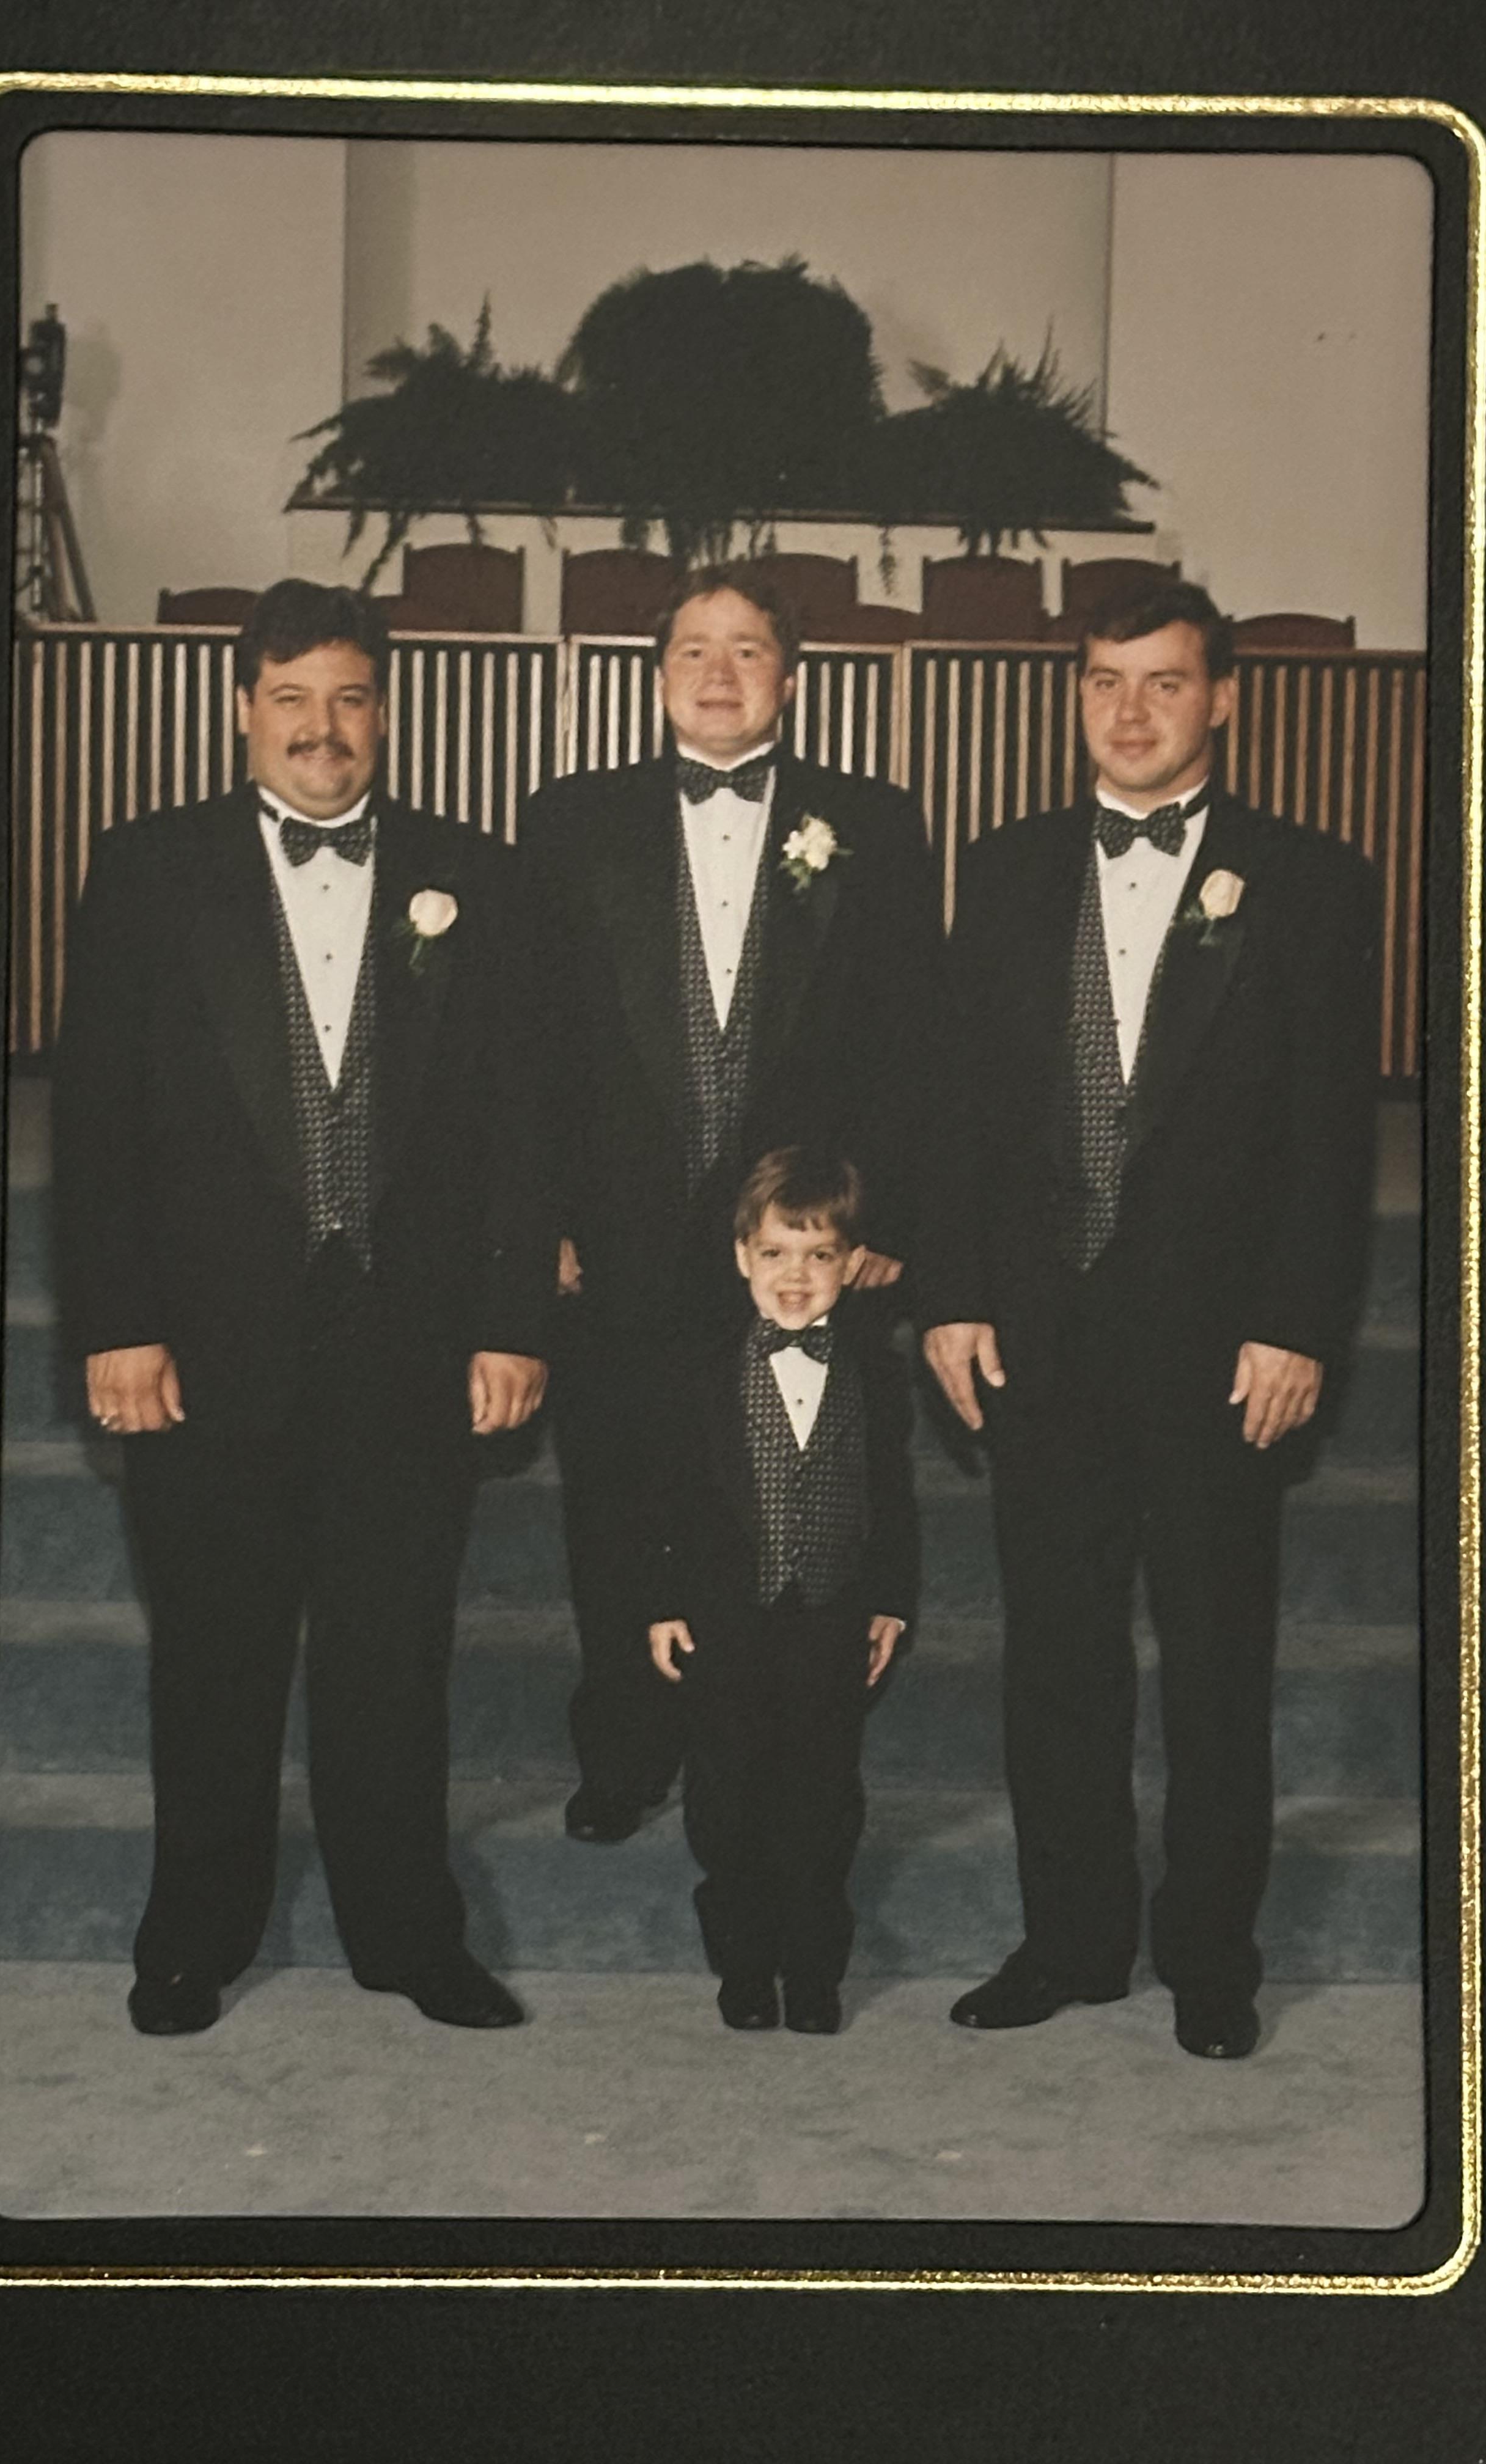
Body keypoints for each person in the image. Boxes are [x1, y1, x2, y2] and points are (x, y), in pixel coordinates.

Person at [53, 578, 551, 2037]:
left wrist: (513, 1319)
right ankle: (191, 1937)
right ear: (241, 711)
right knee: (213, 1656)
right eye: (291, 700)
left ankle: (407, 1937)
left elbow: (521, 1125)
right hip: (204, 1348)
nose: (321, 730)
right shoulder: (149, 870)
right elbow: (96, 1123)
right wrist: (115, 1325)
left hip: (409, 1345)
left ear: (383, 711)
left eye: (348, 698)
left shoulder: (478, 875)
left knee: (395, 1659)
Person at [915, 578, 1379, 2060]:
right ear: (1077, 694)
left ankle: (1211, 1955)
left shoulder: (1311, 881)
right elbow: (967, 1117)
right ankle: (1071, 1942)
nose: (1131, 711)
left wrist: (1301, 1323)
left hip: (1220, 1352)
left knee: (1216, 1664)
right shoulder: (1003, 870)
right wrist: (950, 1298)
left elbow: (1328, 1139)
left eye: (1165, 683)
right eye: (1106, 681)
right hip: (1040, 1344)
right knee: (1054, 1659)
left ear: (1222, 698)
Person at [521, 562, 940, 1845]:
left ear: (791, 680)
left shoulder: (871, 821)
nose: (718, 673)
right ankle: (627, 1746)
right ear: (657, 678)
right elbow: (529, 1045)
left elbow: (912, 1039)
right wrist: (542, 1217)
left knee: (794, 1498)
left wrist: (889, 1225)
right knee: (622, 1495)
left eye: (747, 650)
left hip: (800, 1247)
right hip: (623, 1240)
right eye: (694, 649)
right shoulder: (569, 820)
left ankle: (781, 1747)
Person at [644, 1148, 918, 2034]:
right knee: (726, 1800)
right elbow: (663, 1497)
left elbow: (894, 1496)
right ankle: (743, 1962)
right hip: (726, 1616)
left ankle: (814, 1968)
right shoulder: (695, 1369)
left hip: (831, 1615)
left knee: (823, 1799)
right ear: (740, 1259)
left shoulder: (877, 1369)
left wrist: (890, 1599)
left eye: (818, 1256)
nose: (795, 1278)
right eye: (775, 1255)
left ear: (852, 1262)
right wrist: (661, 1600)